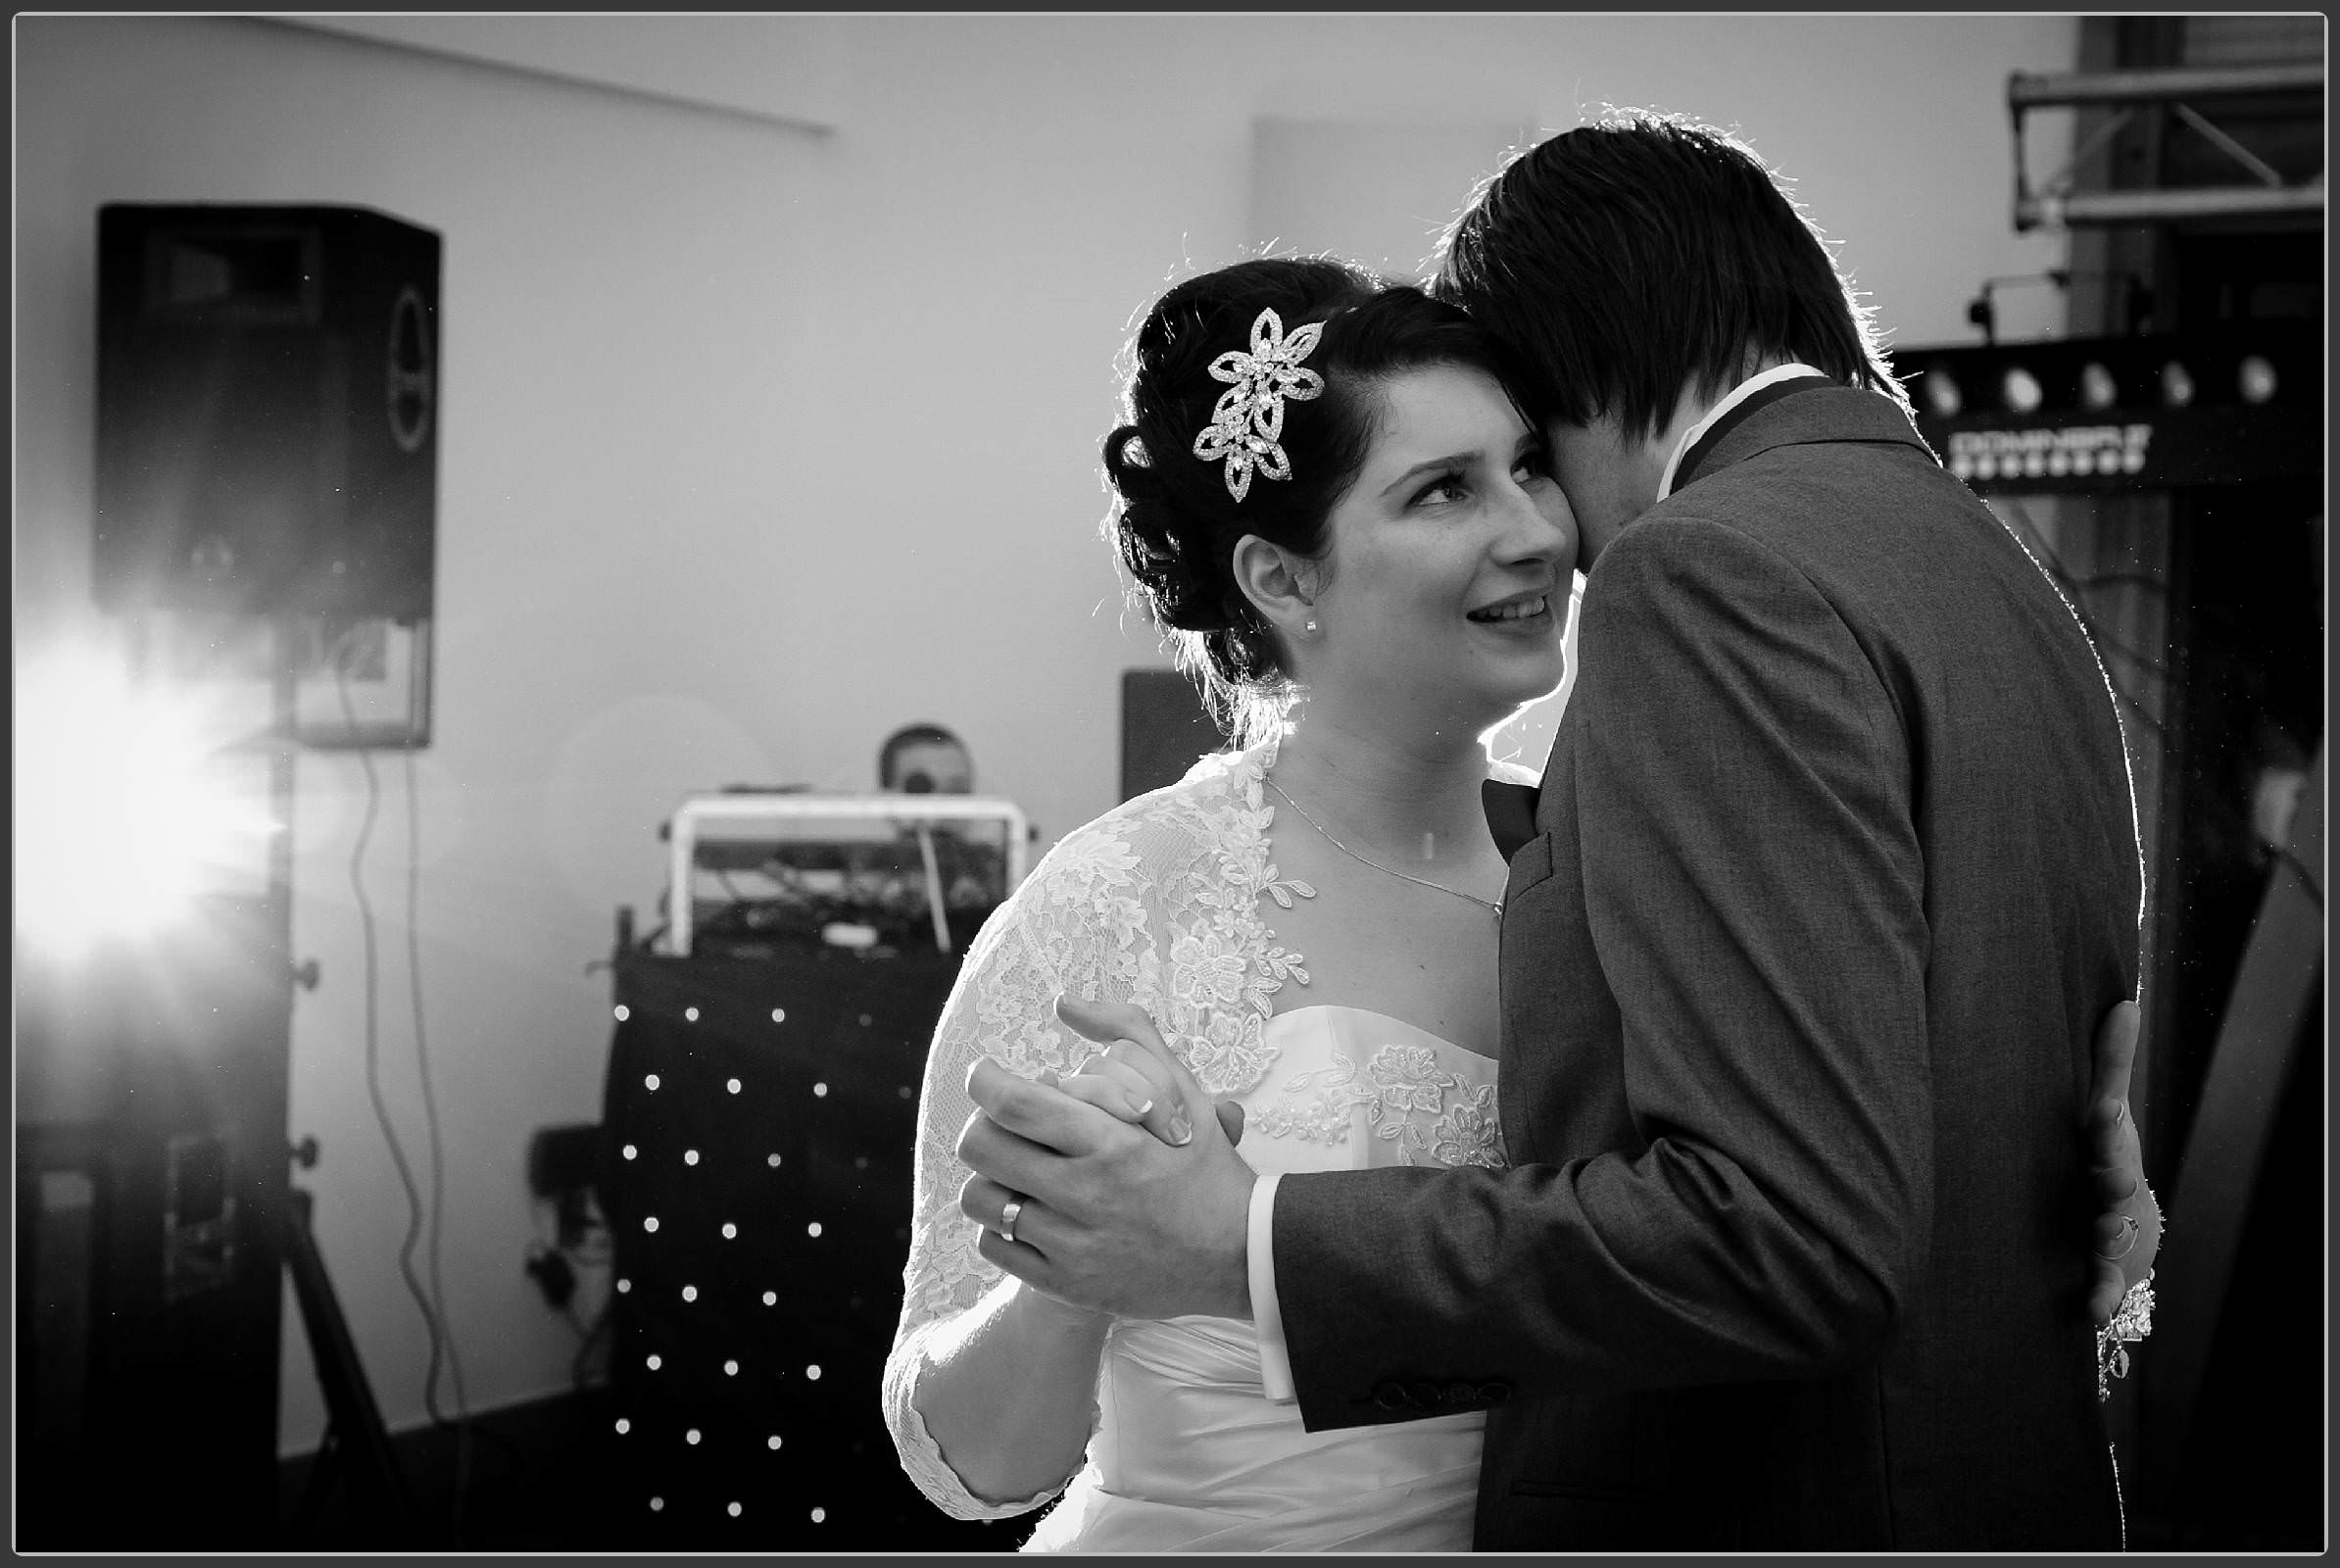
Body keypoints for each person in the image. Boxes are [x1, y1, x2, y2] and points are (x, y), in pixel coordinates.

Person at [952, 112, 2161, 1551]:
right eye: (1447, 486)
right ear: (1281, 577)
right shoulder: (2005, 581)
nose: (1549, 534)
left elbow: (1798, 1224)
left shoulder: (1710, 572)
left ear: (1585, 371)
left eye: (1531, 460)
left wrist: (1238, 1247)